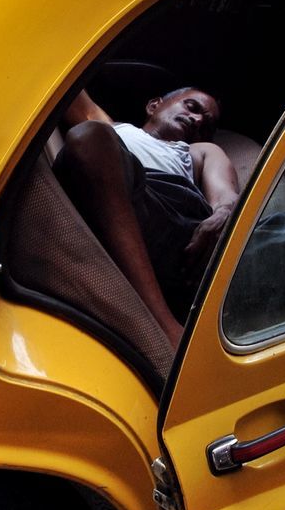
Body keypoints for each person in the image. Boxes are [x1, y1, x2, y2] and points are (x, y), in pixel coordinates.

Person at [55, 86, 238, 345]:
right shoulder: (112, 129)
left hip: (184, 227)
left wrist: (223, 214)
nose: (197, 120)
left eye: (206, 125)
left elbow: (226, 196)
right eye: (192, 107)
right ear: (154, 105)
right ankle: (165, 327)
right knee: (89, 136)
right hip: (126, 199)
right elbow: (67, 84)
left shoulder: (199, 151)